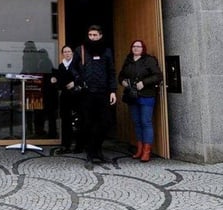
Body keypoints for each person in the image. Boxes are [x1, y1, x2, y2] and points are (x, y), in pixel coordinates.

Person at [75, 25, 117, 169]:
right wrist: (79, 79)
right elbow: (73, 68)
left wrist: (113, 90)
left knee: (105, 122)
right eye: (90, 35)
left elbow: (111, 71)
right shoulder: (81, 50)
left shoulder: (107, 51)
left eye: (94, 35)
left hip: (103, 92)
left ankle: (98, 150)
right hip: (87, 93)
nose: (92, 37)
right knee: (88, 124)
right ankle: (90, 155)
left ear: (100, 35)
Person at [118, 39, 163, 162]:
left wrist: (144, 82)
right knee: (137, 123)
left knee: (145, 122)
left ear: (143, 48)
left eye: (138, 46)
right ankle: (139, 148)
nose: (136, 48)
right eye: (134, 46)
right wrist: (122, 81)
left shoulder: (149, 60)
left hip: (146, 95)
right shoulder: (128, 60)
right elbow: (121, 75)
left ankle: (147, 151)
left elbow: (158, 76)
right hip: (132, 96)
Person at [50, 45, 82, 153]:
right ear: (62, 54)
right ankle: (66, 145)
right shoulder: (61, 66)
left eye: (69, 51)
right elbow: (59, 82)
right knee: (65, 120)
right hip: (65, 95)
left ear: (72, 53)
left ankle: (79, 145)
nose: (67, 53)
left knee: (78, 120)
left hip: (77, 95)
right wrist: (55, 80)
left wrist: (75, 83)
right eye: (65, 52)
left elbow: (83, 77)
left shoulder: (78, 64)